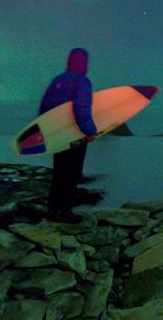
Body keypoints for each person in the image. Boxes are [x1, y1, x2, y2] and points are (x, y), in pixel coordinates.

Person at [39, 47, 98, 223]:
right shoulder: (82, 81)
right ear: (84, 64)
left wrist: (46, 130)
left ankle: (53, 210)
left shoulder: (58, 80)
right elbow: (81, 109)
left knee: (59, 172)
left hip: (57, 135)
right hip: (74, 134)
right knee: (72, 173)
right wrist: (90, 131)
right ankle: (64, 212)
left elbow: (44, 107)